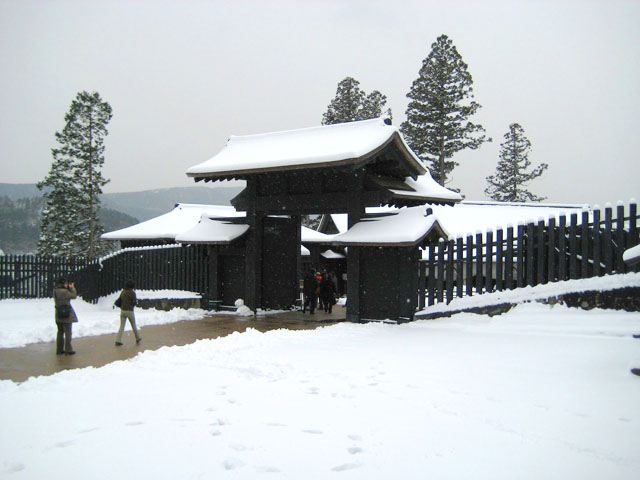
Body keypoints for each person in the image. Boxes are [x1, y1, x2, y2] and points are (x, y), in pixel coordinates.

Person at [53, 277, 78, 355]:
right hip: (66, 314)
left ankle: (59, 349)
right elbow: (74, 296)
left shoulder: (55, 291)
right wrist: (72, 288)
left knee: (60, 332)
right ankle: (68, 349)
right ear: (64, 284)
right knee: (68, 333)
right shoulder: (65, 291)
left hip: (58, 313)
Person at [115, 280, 141, 346]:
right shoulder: (132, 293)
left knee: (122, 326)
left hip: (123, 311)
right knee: (133, 325)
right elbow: (134, 302)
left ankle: (118, 340)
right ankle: (137, 338)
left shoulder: (123, 292)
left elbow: (120, 300)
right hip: (130, 311)